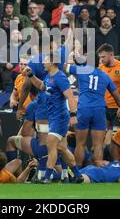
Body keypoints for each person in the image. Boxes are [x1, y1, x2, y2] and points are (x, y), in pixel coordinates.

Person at [23, 53, 84, 184]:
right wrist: (31, 76)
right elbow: (41, 86)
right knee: (61, 148)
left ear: (52, 62)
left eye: (45, 60)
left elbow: (70, 97)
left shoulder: (60, 77)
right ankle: (78, 175)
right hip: (53, 116)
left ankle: (46, 176)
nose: (43, 62)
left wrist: (73, 115)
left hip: (60, 117)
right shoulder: (49, 76)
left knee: (50, 144)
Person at [64, 59, 120, 167]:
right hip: (99, 110)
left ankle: (79, 172)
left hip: (84, 109)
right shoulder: (105, 76)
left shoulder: (80, 70)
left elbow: (63, 66)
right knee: (98, 144)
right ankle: (97, 171)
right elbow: (118, 98)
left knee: (80, 144)